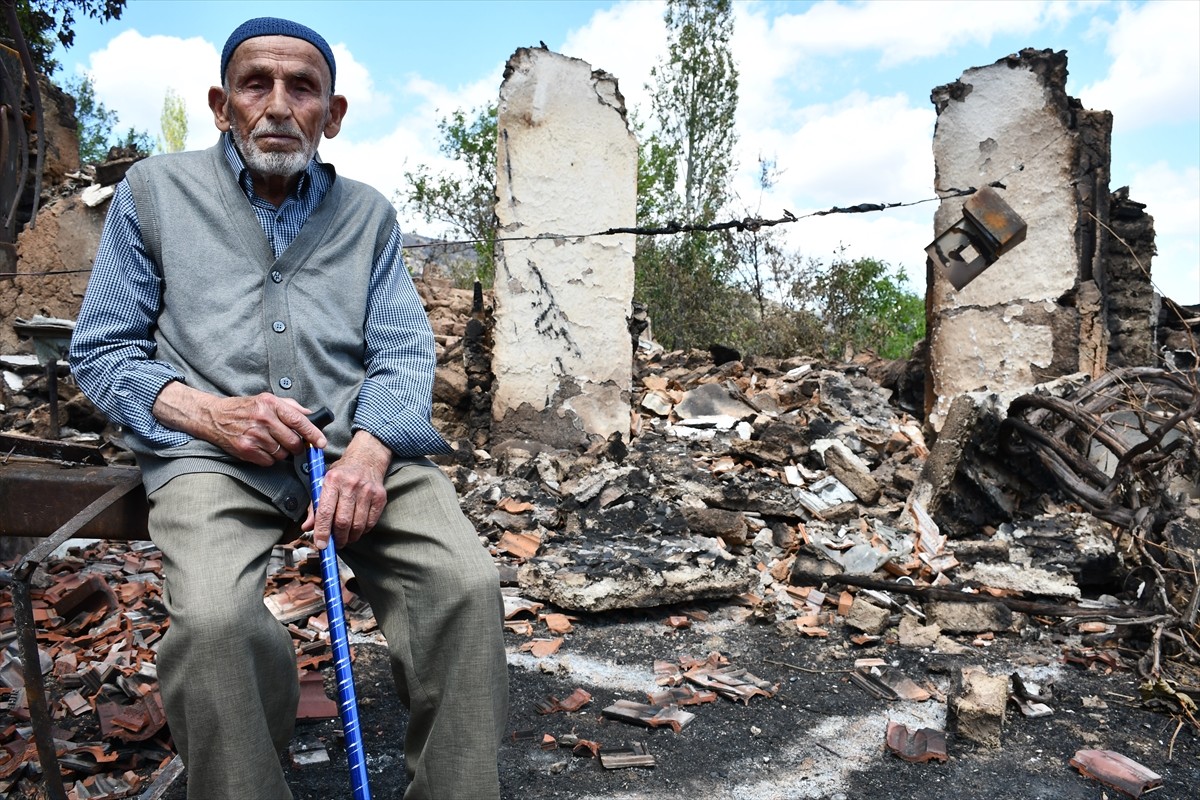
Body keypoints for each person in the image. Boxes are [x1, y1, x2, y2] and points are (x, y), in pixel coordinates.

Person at [69, 17, 507, 800]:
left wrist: (370, 452)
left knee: (464, 587)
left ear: (331, 115)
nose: (277, 105)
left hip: (354, 448)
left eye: (302, 88)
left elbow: (404, 352)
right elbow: (102, 350)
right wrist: (212, 415)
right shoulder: (152, 193)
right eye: (255, 84)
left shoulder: (368, 216)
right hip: (211, 455)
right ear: (221, 105)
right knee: (216, 627)